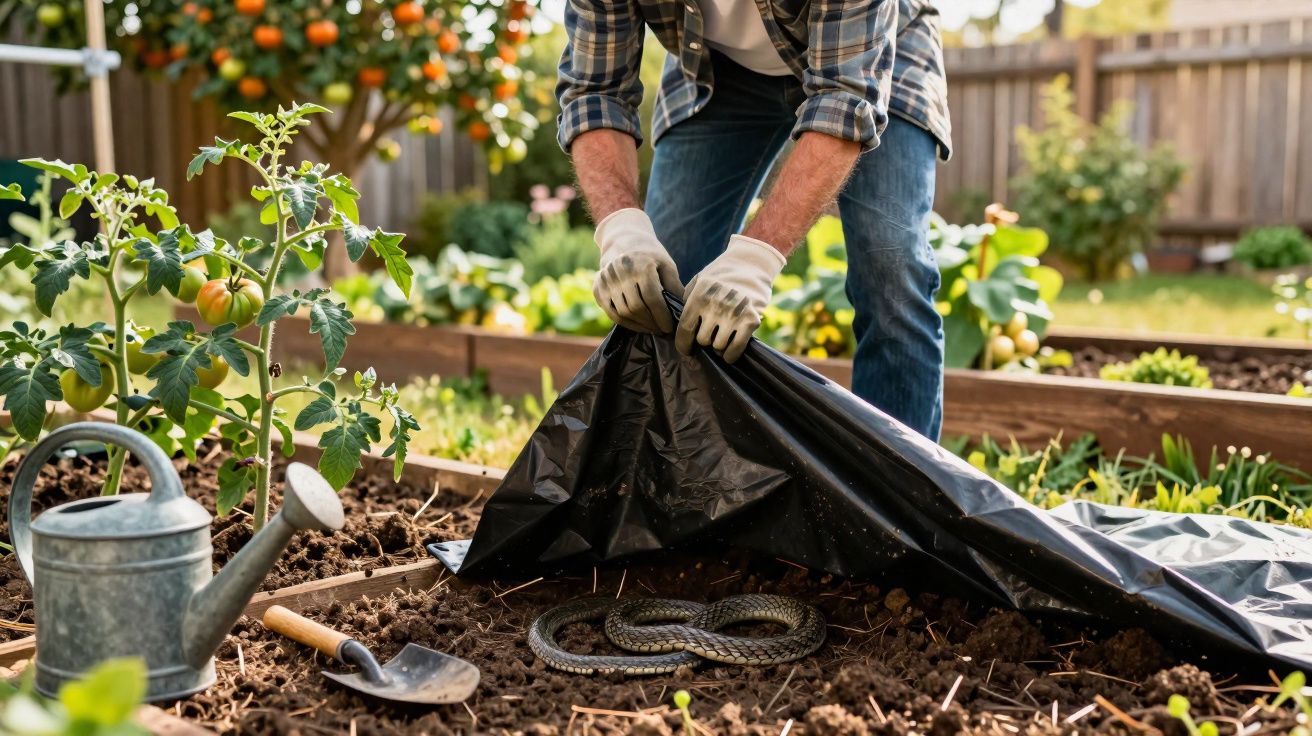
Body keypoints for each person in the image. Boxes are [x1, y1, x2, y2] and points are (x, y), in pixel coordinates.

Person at [557, 0, 951, 439]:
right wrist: (620, 228)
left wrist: (756, 259)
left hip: (874, 54)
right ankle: (677, 482)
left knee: (891, 268)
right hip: (714, 68)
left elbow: (845, 96)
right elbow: (595, 92)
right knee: (664, 281)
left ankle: (898, 497)